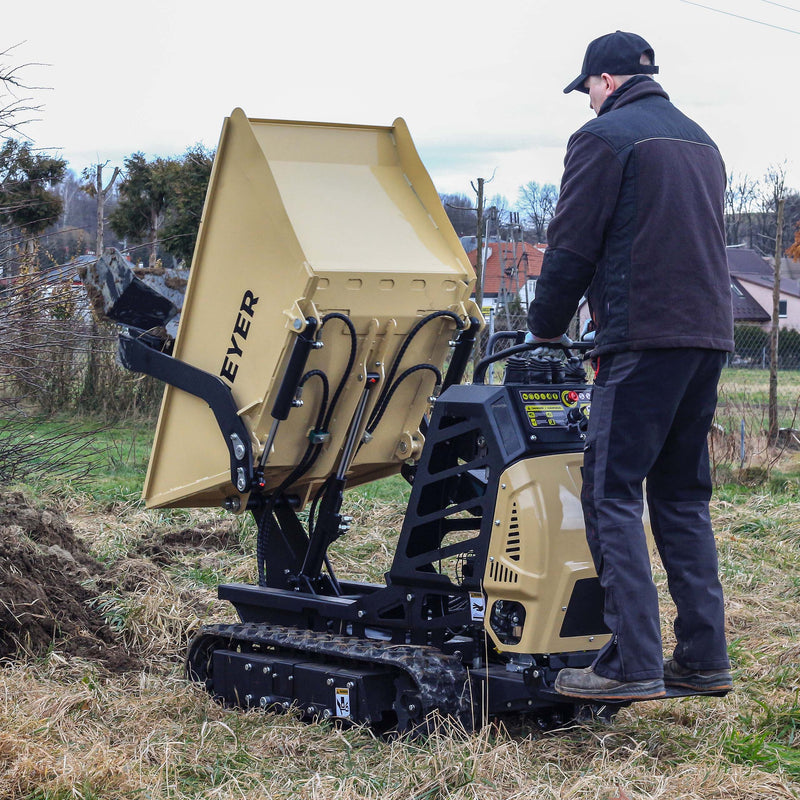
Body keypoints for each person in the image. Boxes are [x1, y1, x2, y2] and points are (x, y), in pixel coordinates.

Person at [527, 31, 734, 701]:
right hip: (707, 338)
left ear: (608, 81)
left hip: (642, 338)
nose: (585, 102)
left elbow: (571, 246)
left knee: (610, 491)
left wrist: (543, 327)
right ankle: (703, 658)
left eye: (586, 89)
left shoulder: (604, 140)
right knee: (680, 496)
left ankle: (631, 663)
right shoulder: (703, 141)